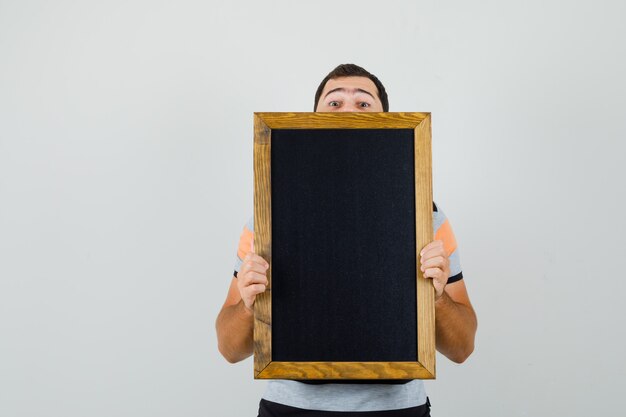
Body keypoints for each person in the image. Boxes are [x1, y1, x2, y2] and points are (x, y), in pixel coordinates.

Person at [216, 64, 478, 417]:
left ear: (388, 120)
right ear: (312, 121)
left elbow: (462, 348)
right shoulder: (269, 216)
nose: (349, 110)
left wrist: (439, 298)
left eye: (364, 103)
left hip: (398, 410)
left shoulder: (426, 218)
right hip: (290, 408)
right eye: (334, 102)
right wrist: (248, 306)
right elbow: (229, 349)